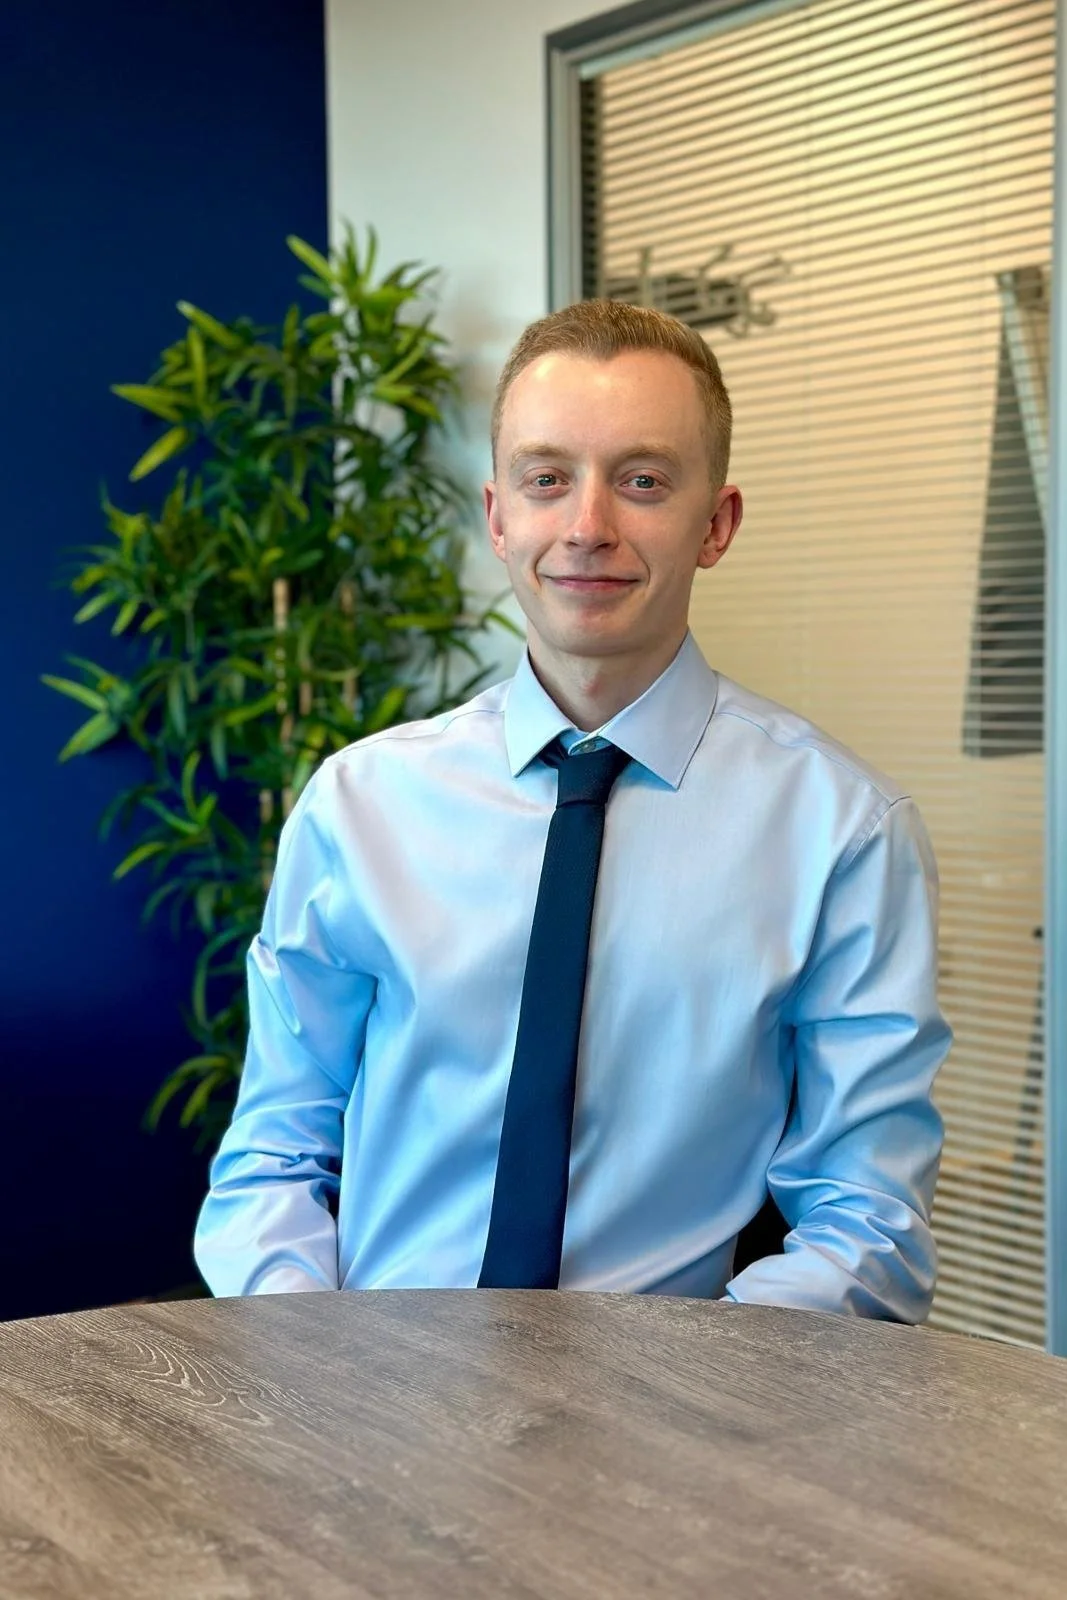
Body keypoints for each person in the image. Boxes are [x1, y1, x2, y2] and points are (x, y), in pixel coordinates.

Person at [194, 299, 950, 1319]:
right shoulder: (359, 806)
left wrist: (688, 1398)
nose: (587, 528)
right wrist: (319, 1362)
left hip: (675, 1400)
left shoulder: (840, 834)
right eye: (546, 479)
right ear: (497, 515)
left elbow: (866, 1224)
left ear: (715, 524)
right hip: (364, 1388)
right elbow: (274, 1156)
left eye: (642, 481)